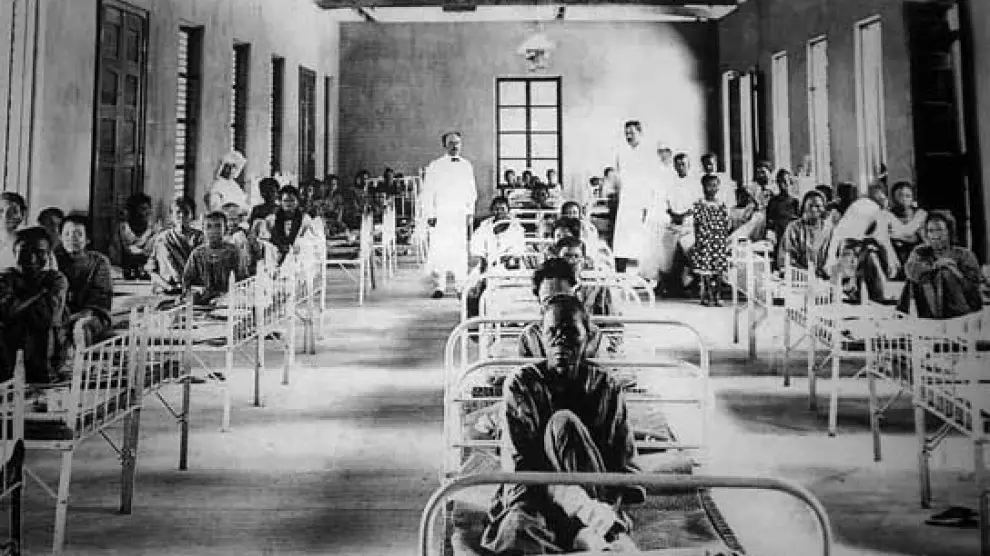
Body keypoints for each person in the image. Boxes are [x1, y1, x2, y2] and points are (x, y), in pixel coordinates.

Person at [481, 295, 642, 554]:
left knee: (563, 423)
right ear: (541, 337)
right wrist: (561, 498)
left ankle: (581, 533)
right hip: (536, 492)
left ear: (587, 337)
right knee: (517, 530)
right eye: (552, 332)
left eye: (570, 332)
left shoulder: (606, 386)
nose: (560, 341)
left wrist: (600, 506)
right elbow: (519, 465)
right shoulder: (522, 384)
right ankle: (577, 535)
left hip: (592, 492)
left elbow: (621, 466)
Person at [0, 227, 68, 383]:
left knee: (42, 329)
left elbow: (48, 317)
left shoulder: (56, 279)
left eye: (39, 252)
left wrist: (17, 308)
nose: (31, 259)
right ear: (14, 252)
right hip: (8, 352)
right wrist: (39, 294)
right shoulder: (6, 278)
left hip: (44, 354)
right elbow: (5, 312)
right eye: (24, 252)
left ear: (48, 255)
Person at [421, 131, 478, 298]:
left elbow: (472, 192)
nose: (455, 146)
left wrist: (470, 213)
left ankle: (461, 286)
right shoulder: (435, 166)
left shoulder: (466, 165)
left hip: (459, 215)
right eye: (451, 143)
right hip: (442, 215)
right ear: (444, 145)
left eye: (457, 143)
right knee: (440, 250)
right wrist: (430, 214)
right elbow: (428, 191)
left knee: (459, 251)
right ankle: (440, 286)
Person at [900, 210, 983, 319]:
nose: (935, 235)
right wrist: (935, 266)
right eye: (930, 231)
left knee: (945, 273)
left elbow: (974, 288)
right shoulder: (920, 251)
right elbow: (910, 271)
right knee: (919, 276)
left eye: (939, 230)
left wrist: (955, 271)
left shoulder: (964, 254)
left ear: (949, 231)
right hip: (928, 309)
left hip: (961, 309)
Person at [517, 257, 605, 359]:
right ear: (539, 300)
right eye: (548, 300)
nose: (556, 307)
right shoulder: (528, 337)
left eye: (563, 298)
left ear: (574, 296)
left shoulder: (593, 335)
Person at [822, 188, 900, 303]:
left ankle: (865, 292)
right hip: (850, 245)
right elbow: (837, 236)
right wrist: (831, 259)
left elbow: (883, 239)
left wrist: (892, 259)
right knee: (854, 259)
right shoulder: (866, 209)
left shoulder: (873, 212)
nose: (885, 201)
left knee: (869, 256)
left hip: (857, 245)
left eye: (884, 198)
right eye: (882, 199)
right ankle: (852, 290)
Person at [613, 121, 665, 274]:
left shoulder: (649, 154)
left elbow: (654, 182)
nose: (628, 136)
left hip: (643, 202)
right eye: (626, 133)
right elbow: (620, 177)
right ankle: (620, 276)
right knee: (621, 243)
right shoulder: (622, 153)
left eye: (632, 133)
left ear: (640, 133)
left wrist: (648, 206)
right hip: (626, 201)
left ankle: (645, 277)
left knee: (643, 244)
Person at [463, 196, 527, 318]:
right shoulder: (485, 227)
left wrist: (500, 263)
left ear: (508, 210)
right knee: (471, 287)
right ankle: (476, 319)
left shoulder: (517, 228)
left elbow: (517, 253)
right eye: (496, 209)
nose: (499, 212)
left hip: (509, 265)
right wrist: (484, 270)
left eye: (502, 209)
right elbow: (479, 251)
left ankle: (505, 318)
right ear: (492, 210)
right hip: (486, 263)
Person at [55, 214, 113, 348]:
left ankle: (83, 361)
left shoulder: (99, 261)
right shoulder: (54, 260)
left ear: (87, 239)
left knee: (82, 327)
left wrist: (71, 318)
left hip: (92, 314)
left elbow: (100, 298)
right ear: (60, 237)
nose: (72, 238)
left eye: (78, 234)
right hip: (60, 315)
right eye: (67, 234)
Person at [182, 212, 248, 307]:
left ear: (226, 229)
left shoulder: (234, 252)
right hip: (201, 304)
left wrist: (227, 297)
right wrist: (196, 293)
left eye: (218, 226)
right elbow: (187, 282)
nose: (213, 231)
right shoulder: (197, 254)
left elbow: (243, 282)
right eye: (208, 226)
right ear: (203, 229)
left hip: (228, 303)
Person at [146, 197, 204, 295]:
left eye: (186, 212)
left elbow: (204, 269)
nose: (181, 215)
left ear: (192, 215)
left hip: (193, 291)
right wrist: (167, 287)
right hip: (166, 290)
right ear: (171, 216)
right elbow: (152, 270)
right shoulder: (162, 238)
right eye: (177, 212)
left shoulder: (200, 238)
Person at [691, 174, 730, 306]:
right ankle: (708, 295)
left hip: (718, 241)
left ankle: (717, 295)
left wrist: (723, 238)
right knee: (706, 270)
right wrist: (699, 240)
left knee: (718, 270)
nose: (712, 189)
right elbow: (696, 223)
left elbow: (725, 223)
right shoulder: (699, 204)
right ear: (703, 187)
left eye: (715, 186)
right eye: (709, 186)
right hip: (705, 240)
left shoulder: (721, 204)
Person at [256, 185, 318, 265]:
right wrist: (276, 247)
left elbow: (311, 241)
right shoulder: (271, 219)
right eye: (285, 201)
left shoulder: (305, 219)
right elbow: (264, 240)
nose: (289, 204)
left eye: (292, 201)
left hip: (298, 259)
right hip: (275, 258)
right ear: (280, 202)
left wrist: (299, 245)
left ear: (297, 202)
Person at [778, 190, 830, 274]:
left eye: (818, 206)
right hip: (799, 276)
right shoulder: (794, 228)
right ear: (804, 207)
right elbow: (787, 257)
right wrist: (807, 273)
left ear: (823, 208)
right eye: (810, 206)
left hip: (823, 277)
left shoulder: (829, 230)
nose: (814, 209)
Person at [888, 181, 927, 267]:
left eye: (908, 196)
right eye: (900, 196)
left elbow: (920, 238)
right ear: (893, 197)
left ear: (913, 197)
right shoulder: (887, 215)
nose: (904, 199)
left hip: (918, 257)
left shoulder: (920, 214)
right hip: (894, 259)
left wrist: (897, 236)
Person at [0, 192, 27, 271]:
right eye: (0, 211)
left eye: (13, 211)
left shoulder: (32, 243)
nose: (5, 216)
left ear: (22, 215)